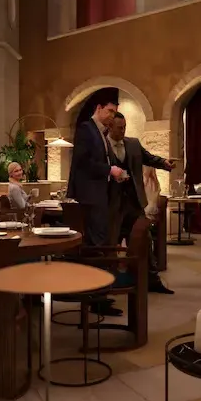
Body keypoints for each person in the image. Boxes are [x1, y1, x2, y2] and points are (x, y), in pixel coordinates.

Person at [106, 112, 176, 293]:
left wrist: (164, 163)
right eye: (119, 127)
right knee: (109, 246)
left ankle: (152, 281)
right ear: (110, 127)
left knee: (144, 240)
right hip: (111, 206)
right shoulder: (101, 145)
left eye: (125, 127)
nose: (123, 130)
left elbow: (149, 158)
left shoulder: (133, 144)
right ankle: (108, 286)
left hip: (134, 203)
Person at [66, 94, 126, 247]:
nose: (112, 116)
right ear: (99, 108)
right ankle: (96, 262)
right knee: (95, 240)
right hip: (90, 194)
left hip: (100, 193)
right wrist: (109, 170)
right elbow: (83, 162)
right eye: (110, 111)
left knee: (101, 236)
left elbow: (101, 159)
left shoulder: (101, 132)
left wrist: (115, 172)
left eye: (114, 112)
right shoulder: (86, 128)